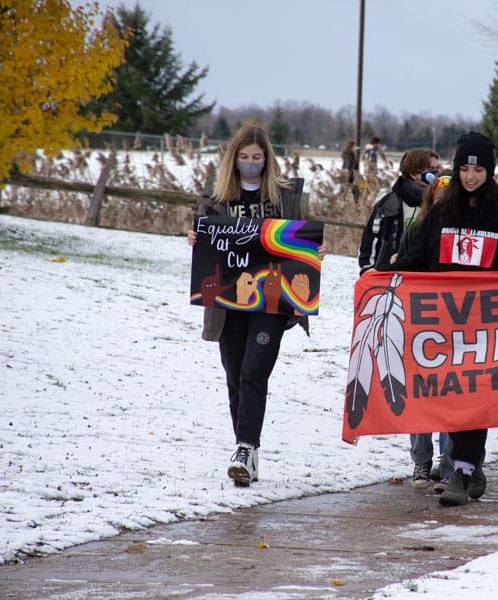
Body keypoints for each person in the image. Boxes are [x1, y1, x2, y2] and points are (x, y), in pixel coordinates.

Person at [380, 131, 498, 507]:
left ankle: (462, 471)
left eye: (478, 169)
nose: (470, 176)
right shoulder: (440, 215)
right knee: (451, 398)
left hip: (486, 330)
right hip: (443, 329)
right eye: (464, 168)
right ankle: (471, 467)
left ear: (489, 171)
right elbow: (418, 256)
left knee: (476, 399)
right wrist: (384, 273)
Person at [186, 124, 326, 486]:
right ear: (233, 160)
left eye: (257, 158)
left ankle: (246, 447)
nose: (250, 164)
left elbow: (300, 240)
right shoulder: (214, 200)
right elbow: (208, 242)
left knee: (254, 372)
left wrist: (313, 251)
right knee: (234, 375)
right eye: (244, 158)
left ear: (267, 159)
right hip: (228, 301)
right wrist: (195, 239)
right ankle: (244, 447)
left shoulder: (285, 198)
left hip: (272, 301)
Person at [393, 171, 455, 493]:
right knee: (419, 392)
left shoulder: (463, 232)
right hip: (420, 323)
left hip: (456, 323)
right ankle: (421, 458)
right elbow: (403, 265)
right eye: (439, 198)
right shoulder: (416, 228)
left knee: (450, 395)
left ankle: (449, 463)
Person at [357, 148, 439, 275]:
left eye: (436, 169)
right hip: (391, 276)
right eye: (430, 169)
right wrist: (369, 270)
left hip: (425, 278)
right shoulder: (388, 206)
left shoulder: (439, 204)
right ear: (414, 172)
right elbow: (370, 243)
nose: (435, 174)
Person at [362, 136, 388, 205]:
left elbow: (363, 158)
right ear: (376, 143)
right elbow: (371, 161)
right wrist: (385, 162)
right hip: (371, 172)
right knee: (376, 188)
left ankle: (362, 204)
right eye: (378, 143)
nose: (378, 145)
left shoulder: (366, 149)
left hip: (366, 172)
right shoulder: (373, 150)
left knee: (367, 188)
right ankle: (369, 204)